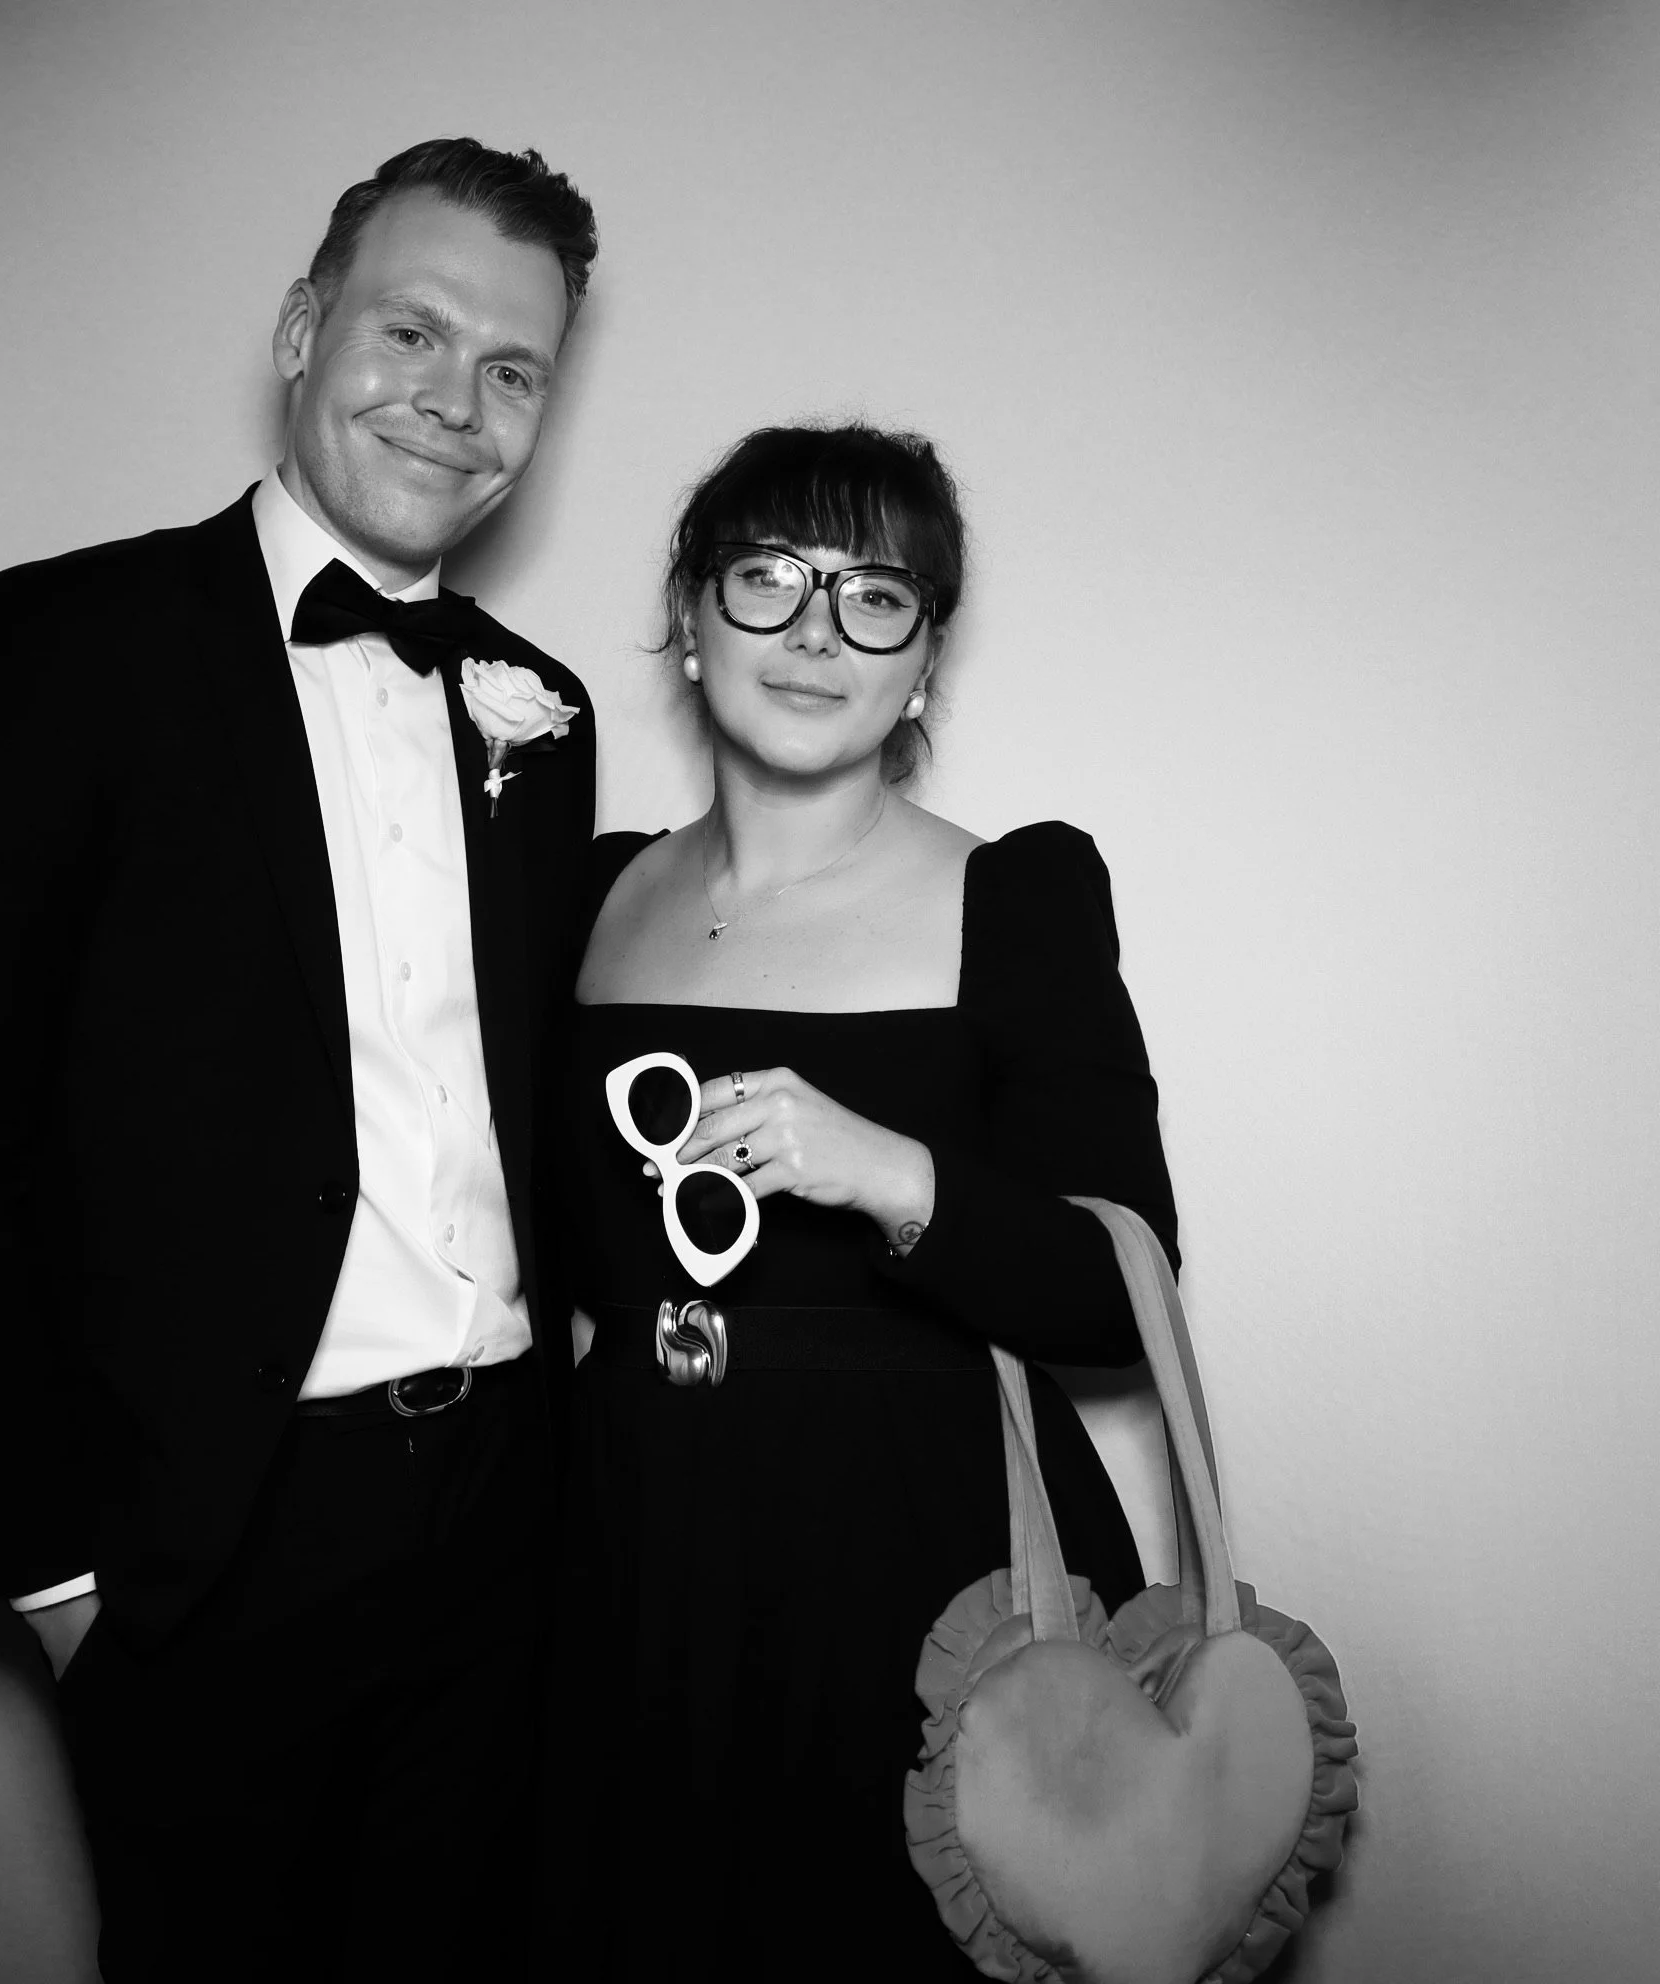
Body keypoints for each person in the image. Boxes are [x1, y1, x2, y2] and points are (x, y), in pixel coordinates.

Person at [0, 138, 599, 1981]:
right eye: (411, 331)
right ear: (300, 329)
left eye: (513, 369)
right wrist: (54, 1578)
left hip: (505, 1516)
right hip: (210, 1546)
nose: (457, 403)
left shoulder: (546, 710)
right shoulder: (60, 646)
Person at [545, 423, 1179, 1978]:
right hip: (626, 1555)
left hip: (916, 1567)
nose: (818, 632)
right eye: (769, 580)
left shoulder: (1017, 892)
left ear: (925, 664)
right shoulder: (584, 888)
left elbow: (1119, 1297)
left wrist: (887, 1173)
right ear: (689, 625)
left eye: (875, 595)